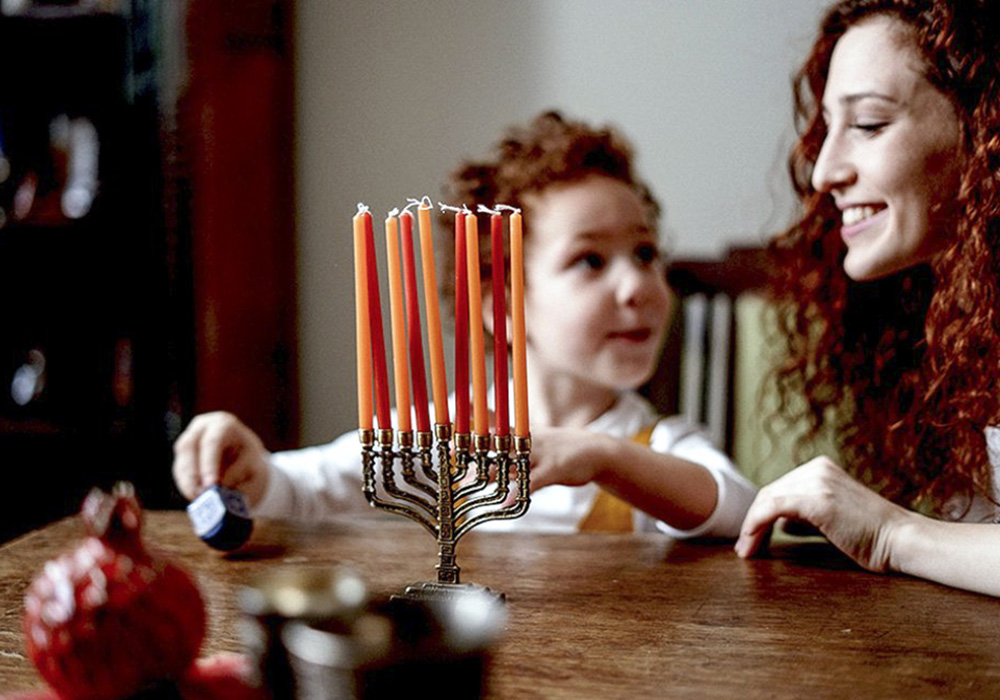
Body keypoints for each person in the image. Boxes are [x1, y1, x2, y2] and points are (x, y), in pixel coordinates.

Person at [173, 111, 756, 538]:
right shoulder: (443, 436)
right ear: (501, 307)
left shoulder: (653, 448)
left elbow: (734, 507)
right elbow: (306, 488)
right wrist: (252, 469)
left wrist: (604, 457)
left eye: (647, 254)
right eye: (591, 260)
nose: (638, 286)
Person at [735, 0, 1000, 596]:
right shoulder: (946, 319)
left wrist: (890, 534)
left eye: (870, 125)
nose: (824, 171)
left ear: (984, 126)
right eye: (826, 128)